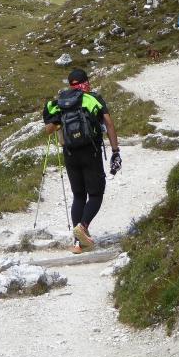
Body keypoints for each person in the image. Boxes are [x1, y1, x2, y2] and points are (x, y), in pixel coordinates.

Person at [42, 68, 121, 254]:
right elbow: (108, 123)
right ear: (86, 81)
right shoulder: (92, 98)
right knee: (95, 194)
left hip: (70, 154)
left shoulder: (59, 102)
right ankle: (83, 227)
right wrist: (115, 151)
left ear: (70, 84)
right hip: (90, 151)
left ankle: (78, 243)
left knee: (79, 196)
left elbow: (48, 129)